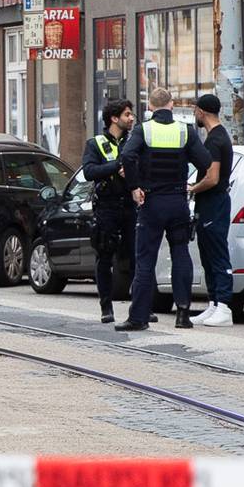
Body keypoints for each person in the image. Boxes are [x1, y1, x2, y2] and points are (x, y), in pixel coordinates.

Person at [120, 87, 210, 333]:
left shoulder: (144, 130)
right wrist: (189, 182)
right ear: (171, 105)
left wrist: (134, 187)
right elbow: (205, 161)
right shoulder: (185, 131)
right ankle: (183, 313)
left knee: (145, 259)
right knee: (180, 254)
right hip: (178, 201)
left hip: (151, 203)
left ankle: (139, 317)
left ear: (150, 107)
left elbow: (127, 156)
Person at [80, 99, 139, 324]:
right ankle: (106, 307)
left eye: (131, 114)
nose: (131, 118)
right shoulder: (96, 143)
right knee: (104, 256)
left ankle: (140, 306)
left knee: (136, 256)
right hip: (107, 206)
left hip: (130, 205)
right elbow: (89, 171)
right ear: (114, 119)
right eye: (127, 114)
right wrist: (116, 167)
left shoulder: (134, 142)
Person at [190, 93, 237, 327]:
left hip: (214, 202)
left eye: (195, 110)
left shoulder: (215, 140)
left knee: (217, 253)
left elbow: (212, 178)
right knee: (207, 254)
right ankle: (214, 303)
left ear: (201, 112)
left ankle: (224, 306)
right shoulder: (216, 137)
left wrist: (192, 188)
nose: (194, 115)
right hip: (210, 203)